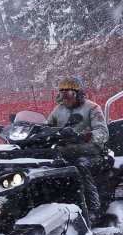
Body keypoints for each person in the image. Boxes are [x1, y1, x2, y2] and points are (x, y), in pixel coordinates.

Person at [47, 76, 109, 220]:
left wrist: (84, 136)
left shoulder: (92, 108)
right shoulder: (57, 110)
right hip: (65, 153)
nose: (66, 99)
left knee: (80, 165)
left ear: (79, 94)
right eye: (62, 95)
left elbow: (103, 132)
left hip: (92, 155)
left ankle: (93, 208)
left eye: (69, 94)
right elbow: (46, 127)